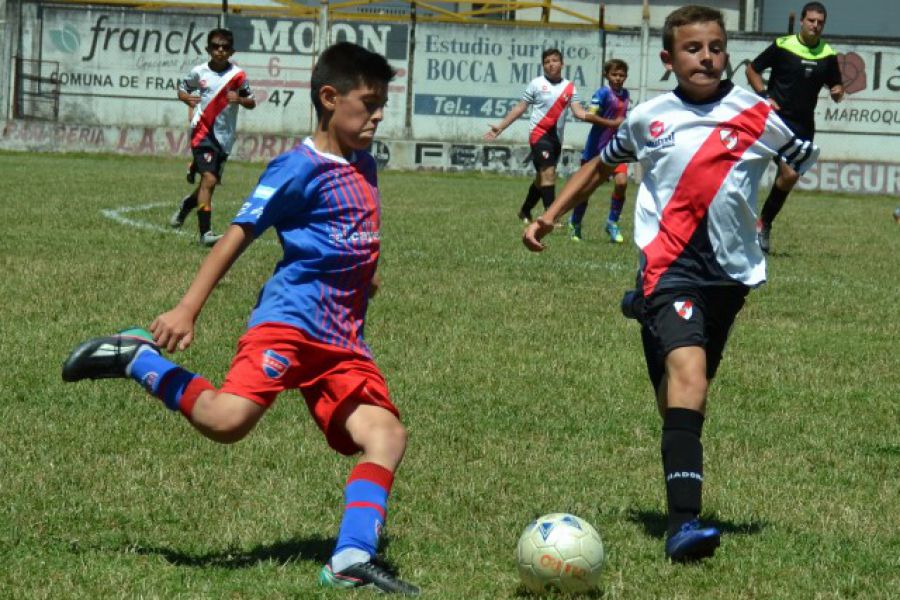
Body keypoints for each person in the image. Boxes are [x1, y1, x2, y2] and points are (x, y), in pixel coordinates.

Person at [62, 42, 419, 595]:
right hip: (291, 323)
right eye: (368, 103)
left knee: (386, 435)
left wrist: (364, 274)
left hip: (343, 339)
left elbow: (349, 231)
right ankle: (141, 360)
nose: (377, 115)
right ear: (329, 98)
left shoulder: (365, 161)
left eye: (382, 105)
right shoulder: (297, 168)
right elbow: (237, 236)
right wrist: (187, 308)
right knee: (227, 422)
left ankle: (350, 556)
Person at [524, 5, 819, 562]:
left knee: (681, 401)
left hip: (730, 276)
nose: (705, 57)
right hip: (670, 267)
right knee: (691, 378)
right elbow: (599, 167)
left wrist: (766, 210)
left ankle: (645, 312)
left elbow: (796, 157)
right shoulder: (649, 119)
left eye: (714, 46)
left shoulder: (757, 114)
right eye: (692, 48)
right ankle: (684, 525)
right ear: (668, 59)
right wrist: (550, 215)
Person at [745, 2, 843, 253]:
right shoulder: (782, 45)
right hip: (773, 120)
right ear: (802, 21)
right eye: (811, 20)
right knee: (743, 171)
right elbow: (752, 70)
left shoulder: (828, 54)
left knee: (789, 176)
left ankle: (763, 224)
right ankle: (734, 226)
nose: (815, 25)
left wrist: (837, 91)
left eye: (820, 22)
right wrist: (764, 95)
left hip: (802, 125)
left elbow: (837, 89)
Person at [484, 48, 596, 224]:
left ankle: (525, 210)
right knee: (549, 174)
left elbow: (579, 112)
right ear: (543, 65)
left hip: (556, 139)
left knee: (542, 178)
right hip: (539, 135)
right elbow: (521, 107)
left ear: (562, 63)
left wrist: (601, 120)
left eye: (554, 60)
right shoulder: (536, 84)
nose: (550, 64)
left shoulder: (570, 87)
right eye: (546, 61)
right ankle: (551, 216)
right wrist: (501, 127)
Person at [169, 28, 256, 247]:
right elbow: (182, 89)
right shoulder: (199, 72)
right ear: (208, 49)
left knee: (210, 183)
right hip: (202, 131)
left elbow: (252, 102)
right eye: (216, 46)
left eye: (225, 47)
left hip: (224, 137)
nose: (220, 50)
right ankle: (205, 234)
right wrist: (186, 99)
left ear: (231, 51)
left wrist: (240, 99)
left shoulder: (238, 76)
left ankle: (188, 204)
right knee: (209, 179)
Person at [567, 59, 631, 243]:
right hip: (596, 147)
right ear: (606, 75)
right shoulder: (602, 93)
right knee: (586, 189)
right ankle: (575, 223)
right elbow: (590, 116)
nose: (618, 78)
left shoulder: (625, 94)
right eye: (614, 75)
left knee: (621, 183)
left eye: (622, 75)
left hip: (617, 147)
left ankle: (612, 222)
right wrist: (612, 123)